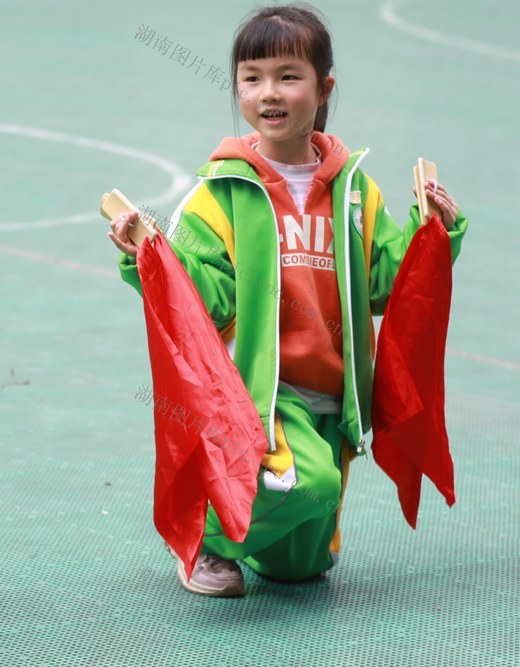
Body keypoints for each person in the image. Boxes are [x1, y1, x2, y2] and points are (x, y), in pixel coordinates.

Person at [108, 4, 467, 597]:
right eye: (252, 78)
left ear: (324, 88)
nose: (267, 93)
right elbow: (202, 296)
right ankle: (211, 535)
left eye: (287, 76)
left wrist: (434, 236)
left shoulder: (355, 191)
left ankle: (254, 535)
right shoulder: (219, 192)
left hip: (332, 393)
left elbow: (387, 284)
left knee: (300, 567)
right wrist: (145, 258)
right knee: (313, 485)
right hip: (260, 392)